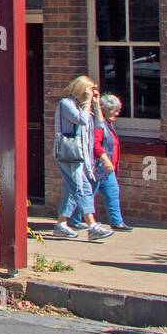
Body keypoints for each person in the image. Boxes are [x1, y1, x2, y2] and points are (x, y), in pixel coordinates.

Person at [52, 75, 114, 242]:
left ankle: (61, 225)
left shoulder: (84, 106)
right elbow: (81, 120)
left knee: (70, 190)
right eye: (89, 89)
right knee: (82, 188)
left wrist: (95, 104)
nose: (91, 93)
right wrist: (86, 104)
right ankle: (92, 226)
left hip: (81, 155)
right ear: (81, 89)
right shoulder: (66, 104)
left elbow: (100, 125)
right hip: (70, 154)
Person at [93, 93, 133, 232]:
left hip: (107, 169)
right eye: (114, 110)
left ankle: (117, 222)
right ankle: (72, 220)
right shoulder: (99, 125)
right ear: (103, 110)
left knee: (113, 192)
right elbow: (95, 145)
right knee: (86, 195)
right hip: (97, 167)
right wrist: (105, 159)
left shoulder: (108, 124)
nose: (117, 113)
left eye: (118, 110)